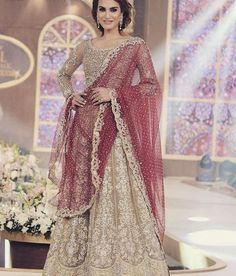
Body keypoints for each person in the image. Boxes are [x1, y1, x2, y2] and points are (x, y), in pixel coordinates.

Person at [43, 0, 170, 275]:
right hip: (84, 131)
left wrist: (115, 94)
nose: (108, 15)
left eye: (114, 9)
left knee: (113, 196)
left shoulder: (135, 46)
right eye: (102, 9)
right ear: (96, 14)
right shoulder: (85, 47)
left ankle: (114, 266)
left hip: (115, 132)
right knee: (82, 197)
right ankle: (75, 266)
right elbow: (63, 73)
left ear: (123, 13)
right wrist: (70, 94)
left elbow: (150, 86)